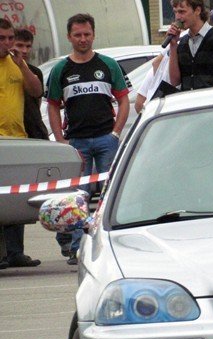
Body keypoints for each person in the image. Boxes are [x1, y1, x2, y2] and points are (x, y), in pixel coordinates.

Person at [46, 13, 129, 266]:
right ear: (69, 37)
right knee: (77, 196)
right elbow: (52, 105)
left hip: (106, 139)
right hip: (76, 143)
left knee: (110, 193)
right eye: (77, 35)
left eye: (87, 34)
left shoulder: (108, 65)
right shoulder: (61, 69)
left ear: (93, 34)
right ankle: (74, 247)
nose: (83, 39)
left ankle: (109, 244)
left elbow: (124, 99)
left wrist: (116, 132)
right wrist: (61, 140)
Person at [0, 18, 43, 270]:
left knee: (14, 200)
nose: (7, 43)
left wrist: (22, 66)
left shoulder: (18, 64)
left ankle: (16, 252)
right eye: (2, 38)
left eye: (9, 38)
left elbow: (36, 91)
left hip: (16, 140)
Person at [167, 0, 213, 91]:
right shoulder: (183, 42)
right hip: (189, 103)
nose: (177, 17)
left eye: (182, 11)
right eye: (175, 12)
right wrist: (173, 46)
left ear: (197, 10)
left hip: (212, 103)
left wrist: (205, 97)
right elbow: (175, 82)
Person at [13, 28, 48, 140]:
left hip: (34, 130)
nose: (24, 50)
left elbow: (37, 100)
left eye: (28, 46)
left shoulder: (35, 72)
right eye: (20, 45)